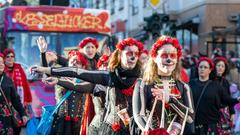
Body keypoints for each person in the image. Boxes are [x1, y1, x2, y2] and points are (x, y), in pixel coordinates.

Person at [31, 37, 144, 135]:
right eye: (129, 53)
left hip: (135, 128)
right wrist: (48, 69)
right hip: (107, 128)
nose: (133, 57)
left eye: (136, 54)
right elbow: (75, 74)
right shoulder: (107, 77)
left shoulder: (143, 79)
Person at [133, 36, 194, 135]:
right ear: (155, 58)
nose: (169, 60)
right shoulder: (143, 84)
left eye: (172, 56)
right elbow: (139, 116)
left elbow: (190, 118)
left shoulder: (184, 87)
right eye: (164, 56)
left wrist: (171, 100)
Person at [189, 57, 240, 135]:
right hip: (195, 125)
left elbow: (227, 99)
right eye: (200, 67)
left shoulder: (216, 86)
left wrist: (237, 99)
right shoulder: (191, 84)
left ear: (210, 70)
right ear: (197, 68)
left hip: (211, 125)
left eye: (205, 67)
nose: (202, 69)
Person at [3, 48, 32, 135]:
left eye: (12, 56)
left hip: (17, 100)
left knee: (17, 125)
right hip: (6, 102)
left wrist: (27, 99)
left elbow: (25, 84)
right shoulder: (2, 70)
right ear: (4, 58)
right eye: (7, 56)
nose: (10, 58)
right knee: (6, 125)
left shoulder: (19, 68)